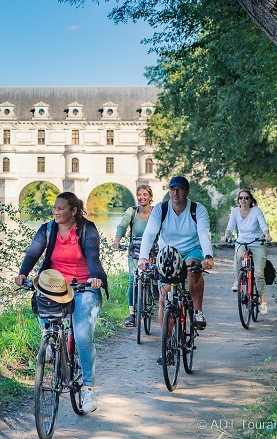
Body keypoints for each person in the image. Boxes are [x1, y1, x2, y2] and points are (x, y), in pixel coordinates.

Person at [14, 191, 109, 414]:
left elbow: (93, 255)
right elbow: (33, 252)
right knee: (40, 300)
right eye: (54, 208)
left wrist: (95, 277)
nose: (56, 212)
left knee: (83, 336)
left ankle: (88, 389)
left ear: (73, 211)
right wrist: (23, 273)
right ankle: (49, 340)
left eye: (61, 208)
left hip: (84, 286)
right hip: (55, 285)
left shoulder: (86, 229)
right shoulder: (48, 229)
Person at [137, 176, 213, 335]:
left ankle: (197, 312)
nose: (175, 193)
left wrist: (208, 257)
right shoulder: (161, 209)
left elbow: (203, 233)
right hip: (168, 254)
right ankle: (167, 342)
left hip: (191, 250)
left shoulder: (197, 209)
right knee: (164, 298)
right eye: (172, 189)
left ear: (187, 192)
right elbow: (150, 233)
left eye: (180, 189)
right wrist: (143, 257)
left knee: (194, 269)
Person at [222, 189, 272, 315]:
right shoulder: (235, 211)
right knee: (237, 259)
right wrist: (226, 236)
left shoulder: (256, 211)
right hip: (242, 242)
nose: (243, 200)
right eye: (241, 198)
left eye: (246, 198)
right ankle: (237, 281)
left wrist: (267, 235)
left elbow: (263, 225)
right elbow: (230, 227)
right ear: (238, 201)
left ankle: (262, 302)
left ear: (250, 200)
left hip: (257, 242)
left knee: (259, 273)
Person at [112, 185, 154, 327]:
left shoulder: (156, 212)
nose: (142, 197)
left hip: (152, 250)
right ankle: (132, 314)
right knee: (132, 280)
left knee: (155, 275)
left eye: (145, 194)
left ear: (150, 197)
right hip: (135, 250)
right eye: (139, 195)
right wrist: (117, 240)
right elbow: (122, 226)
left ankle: (155, 291)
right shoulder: (132, 211)